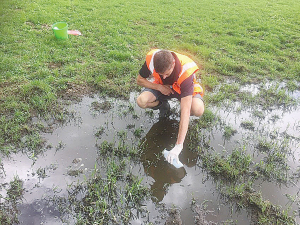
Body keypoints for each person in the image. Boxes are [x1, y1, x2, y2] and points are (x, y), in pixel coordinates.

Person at [136, 49, 205, 166]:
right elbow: (139, 80)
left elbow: (186, 109)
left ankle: (182, 121)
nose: (164, 76)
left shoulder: (186, 71)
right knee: (141, 101)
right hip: (162, 88)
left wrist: (178, 146)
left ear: (173, 64)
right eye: (160, 74)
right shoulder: (152, 59)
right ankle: (163, 106)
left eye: (167, 74)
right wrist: (159, 87)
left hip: (181, 88)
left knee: (197, 109)